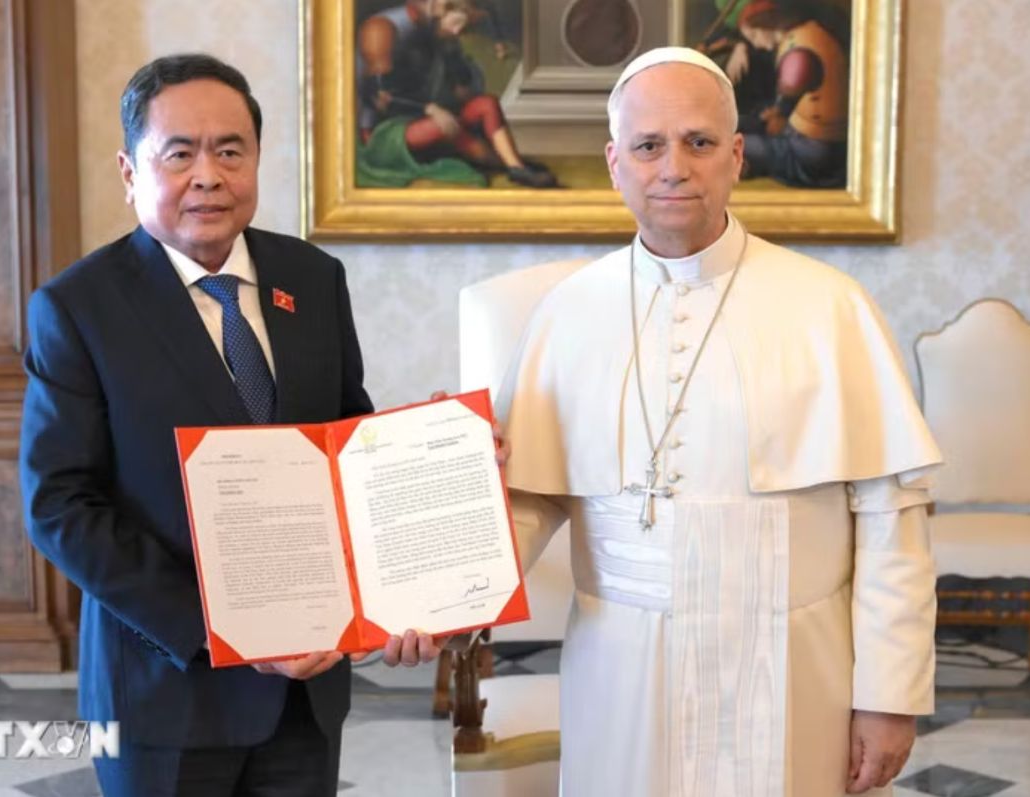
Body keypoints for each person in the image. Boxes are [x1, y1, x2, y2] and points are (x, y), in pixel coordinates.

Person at [496, 47, 939, 796]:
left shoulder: (830, 306)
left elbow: (891, 516)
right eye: (648, 145)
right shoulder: (566, 314)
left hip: (795, 668)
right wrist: (439, 588)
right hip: (623, 669)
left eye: (699, 142)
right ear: (615, 162)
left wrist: (889, 695)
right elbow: (534, 495)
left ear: (736, 156)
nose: (674, 167)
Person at [19, 54, 447, 796]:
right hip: (164, 688)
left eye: (229, 149)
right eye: (177, 153)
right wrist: (221, 629)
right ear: (130, 171)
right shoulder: (77, 308)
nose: (207, 174)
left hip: (306, 688)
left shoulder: (313, 279)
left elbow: (350, 446)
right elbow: (59, 504)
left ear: (256, 158)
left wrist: (426, 473)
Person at [355, 0, 556, 188]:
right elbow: (377, 95)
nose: (459, 31)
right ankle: (506, 163)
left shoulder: (437, 35)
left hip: (423, 118)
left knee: (486, 103)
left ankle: (515, 167)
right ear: (440, 9)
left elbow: (459, 90)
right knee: (444, 125)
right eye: (458, 22)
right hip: (383, 132)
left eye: (465, 26)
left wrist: (458, 74)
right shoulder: (381, 29)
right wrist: (429, 108)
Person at [735, 0, 851, 187]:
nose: (756, 44)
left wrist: (779, 114)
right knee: (745, 123)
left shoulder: (799, 48)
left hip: (812, 149)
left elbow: (793, 84)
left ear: (768, 24)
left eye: (754, 35)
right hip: (816, 140)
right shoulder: (808, 32)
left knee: (733, 145)